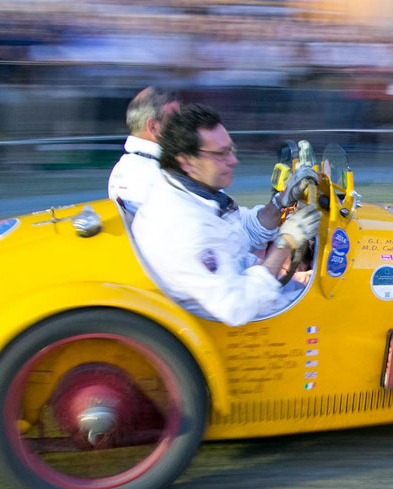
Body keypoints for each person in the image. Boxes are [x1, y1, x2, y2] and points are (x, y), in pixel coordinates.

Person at [130, 103, 321, 326]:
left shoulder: (195, 193)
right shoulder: (183, 225)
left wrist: (281, 201)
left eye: (230, 150)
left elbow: (239, 234)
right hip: (243, 317)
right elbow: (235, 307)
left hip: (250, 287)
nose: (233, 161)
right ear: (186, 161)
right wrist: (285, 244)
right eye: (221, 154)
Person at [108, 86, 180, 220]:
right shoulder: (166, 177)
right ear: (153, 127)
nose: (183, 126)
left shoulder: (120, 170)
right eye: (176, 119)